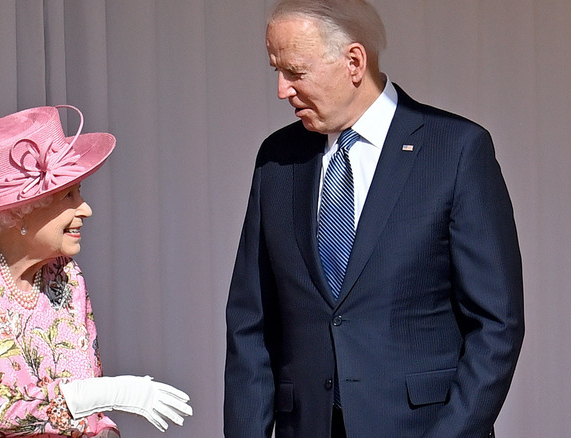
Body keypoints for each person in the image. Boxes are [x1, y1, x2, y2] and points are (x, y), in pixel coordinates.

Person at [223, 1, 524, 437]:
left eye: (295, 72)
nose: (282, 89)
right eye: (276, 70)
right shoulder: (277, 160)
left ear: (354, 61)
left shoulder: (455, 150)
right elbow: (250, 323)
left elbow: (497, 325)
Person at [0, 105, 192, 437]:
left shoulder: (66, 276)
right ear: (21, 212)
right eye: (67, 195)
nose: (85, 209)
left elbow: (87, 402)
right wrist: (106, 394)